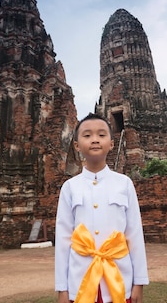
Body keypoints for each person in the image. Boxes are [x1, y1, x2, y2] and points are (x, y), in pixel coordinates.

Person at [55, 113, 149, 303]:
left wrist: (138, 283)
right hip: (79, 280)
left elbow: (134, 235)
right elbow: (63, 240)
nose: (95, 140)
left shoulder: (124, 184)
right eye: (87, 135)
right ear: (76, 145)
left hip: (119, 278)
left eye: (101, 135)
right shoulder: (70, 187)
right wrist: (62, 289)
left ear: (112, 143)